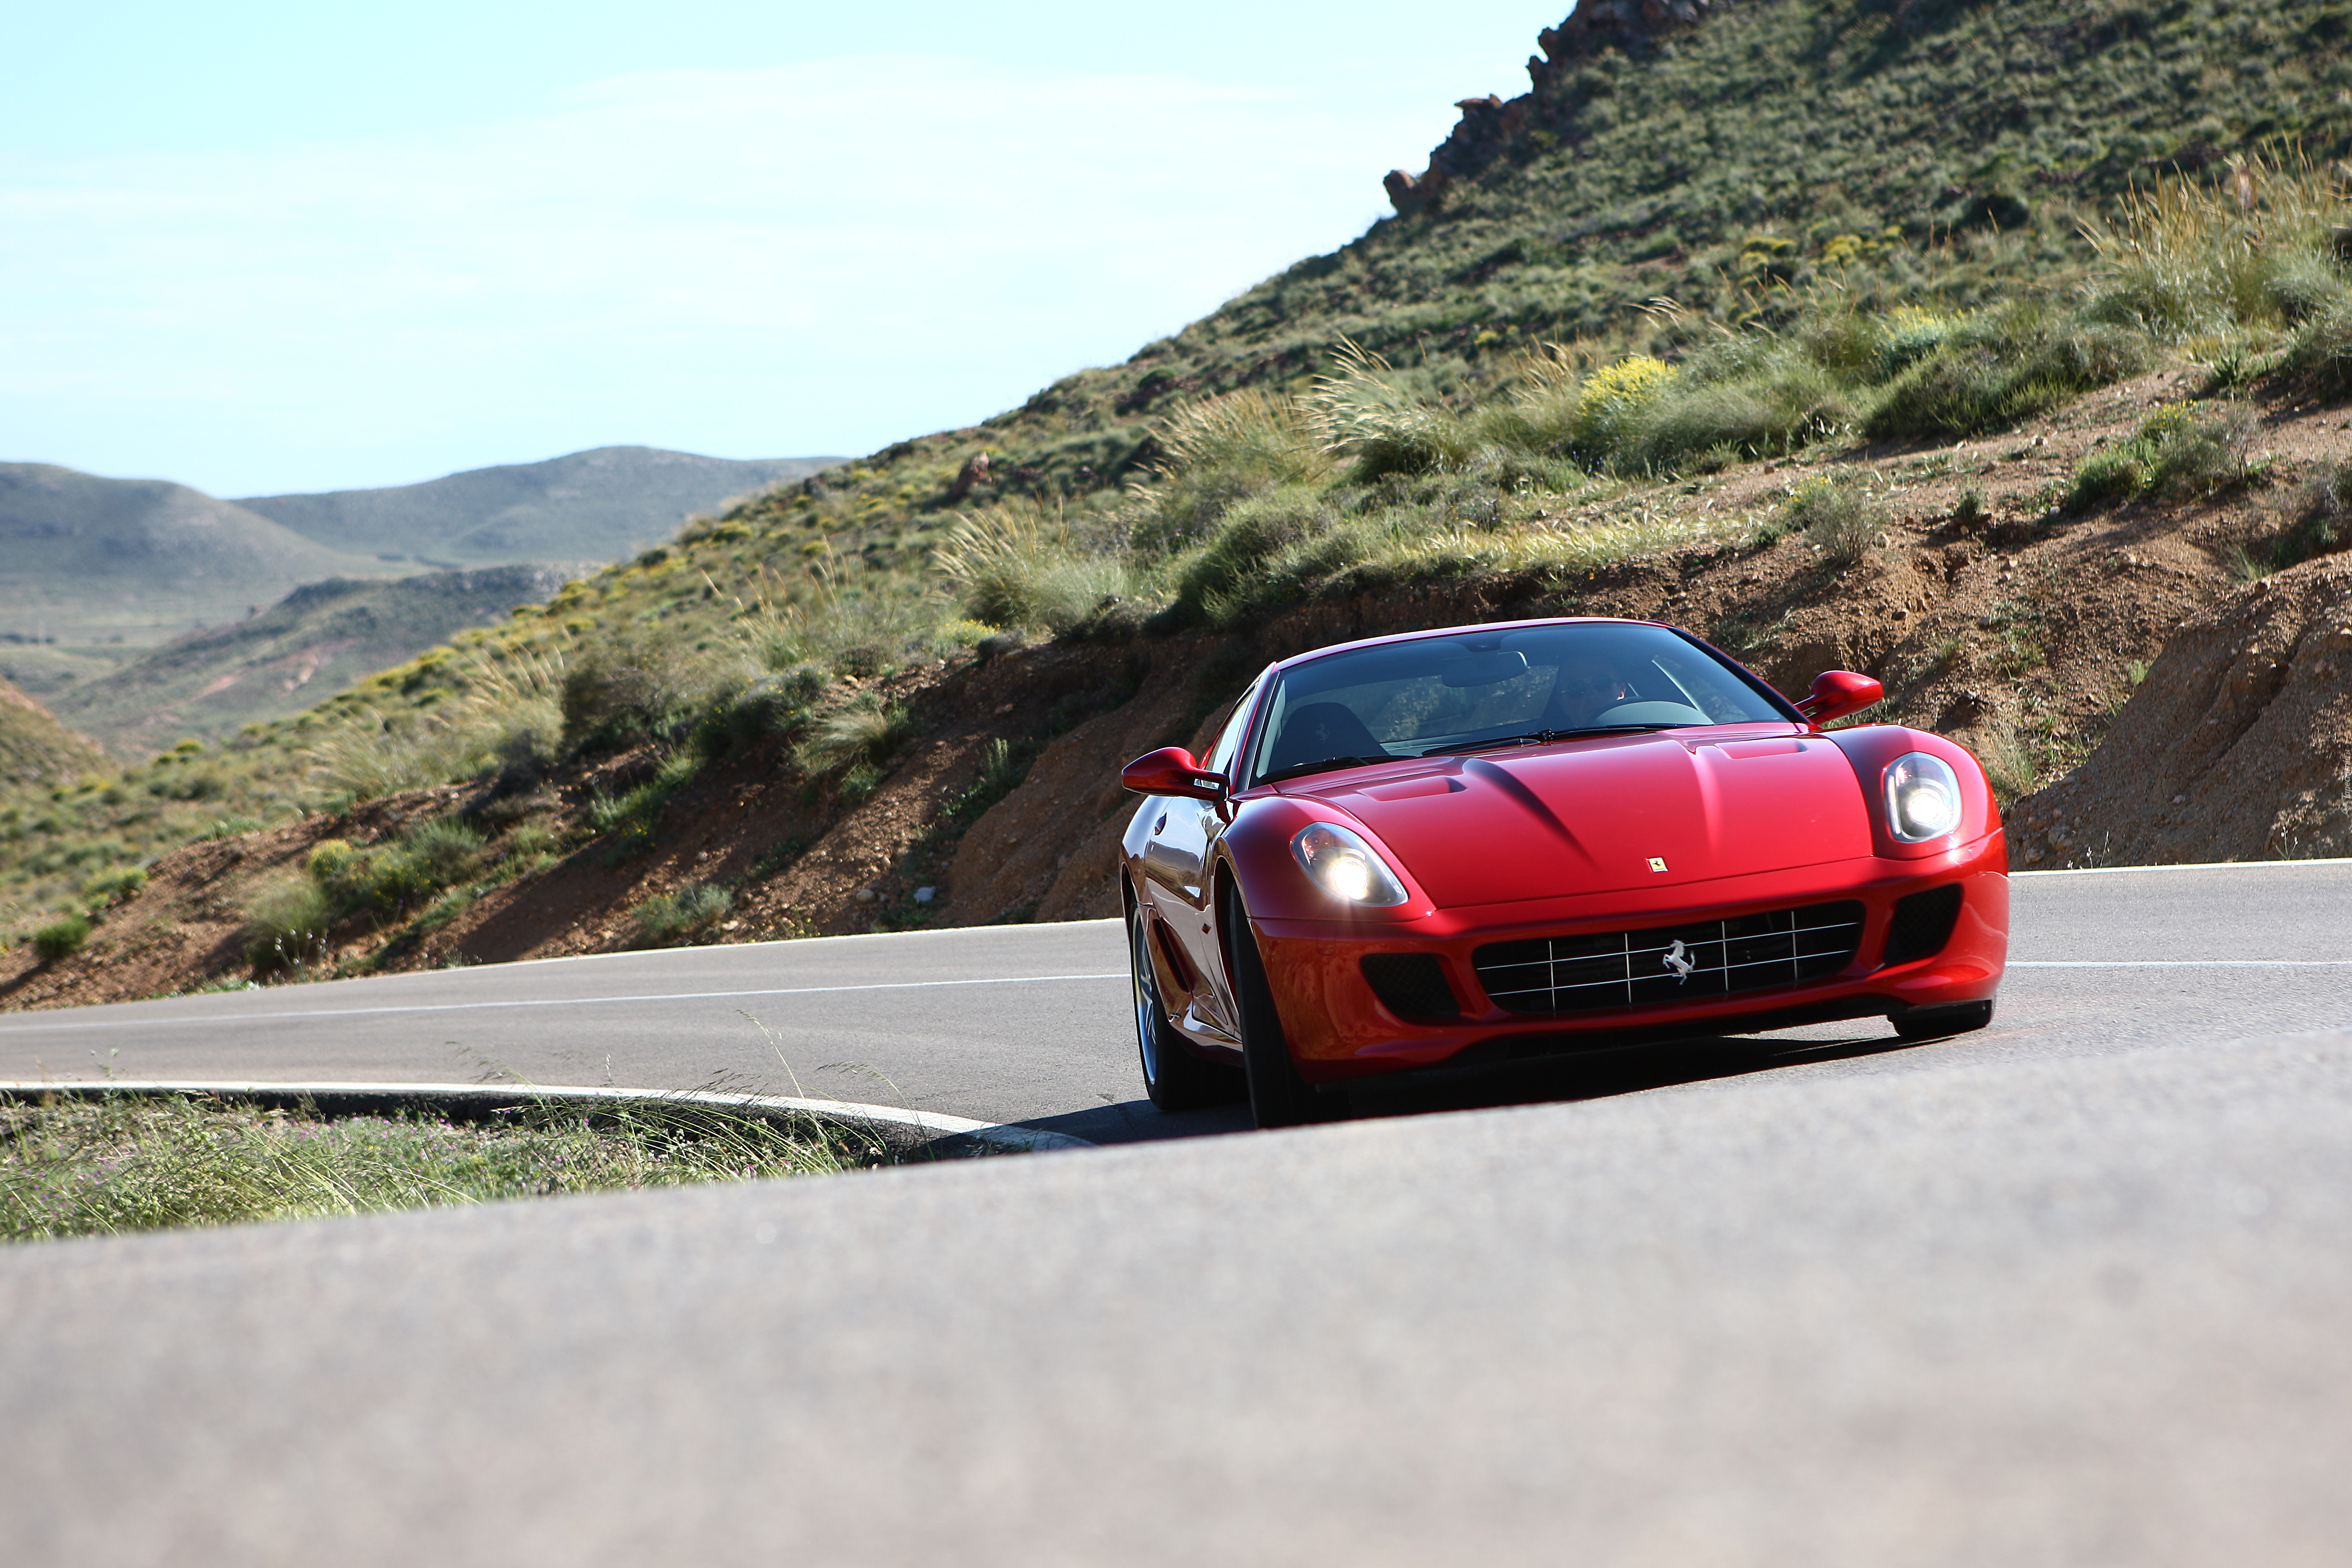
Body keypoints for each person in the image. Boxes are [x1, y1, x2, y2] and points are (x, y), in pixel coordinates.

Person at [1545, 648, 1633, 728]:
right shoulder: (1550, 744)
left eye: (1601, 683)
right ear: (1563, 704)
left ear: (1621, 691)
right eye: (1577, 688)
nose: (1592, 695)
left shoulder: (1645, 733)